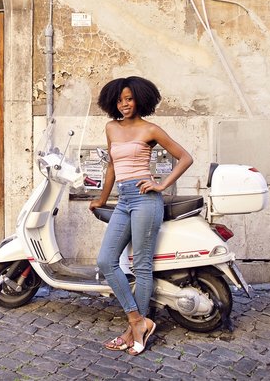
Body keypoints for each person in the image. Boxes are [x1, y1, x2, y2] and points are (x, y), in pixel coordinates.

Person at [89, 76, 193, 356]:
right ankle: (138, 322)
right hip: (123, 201)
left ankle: (134, 328)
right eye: (120, 99)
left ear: (139, 100)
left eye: (130, 99)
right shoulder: (111, 128)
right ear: (114, 101)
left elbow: (185, 157)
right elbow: (112, 165)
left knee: (142, 267)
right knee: (106, 261)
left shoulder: (150, 129)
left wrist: (160, 184)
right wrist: (101, 198)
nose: (124, 104)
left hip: (146, 200)